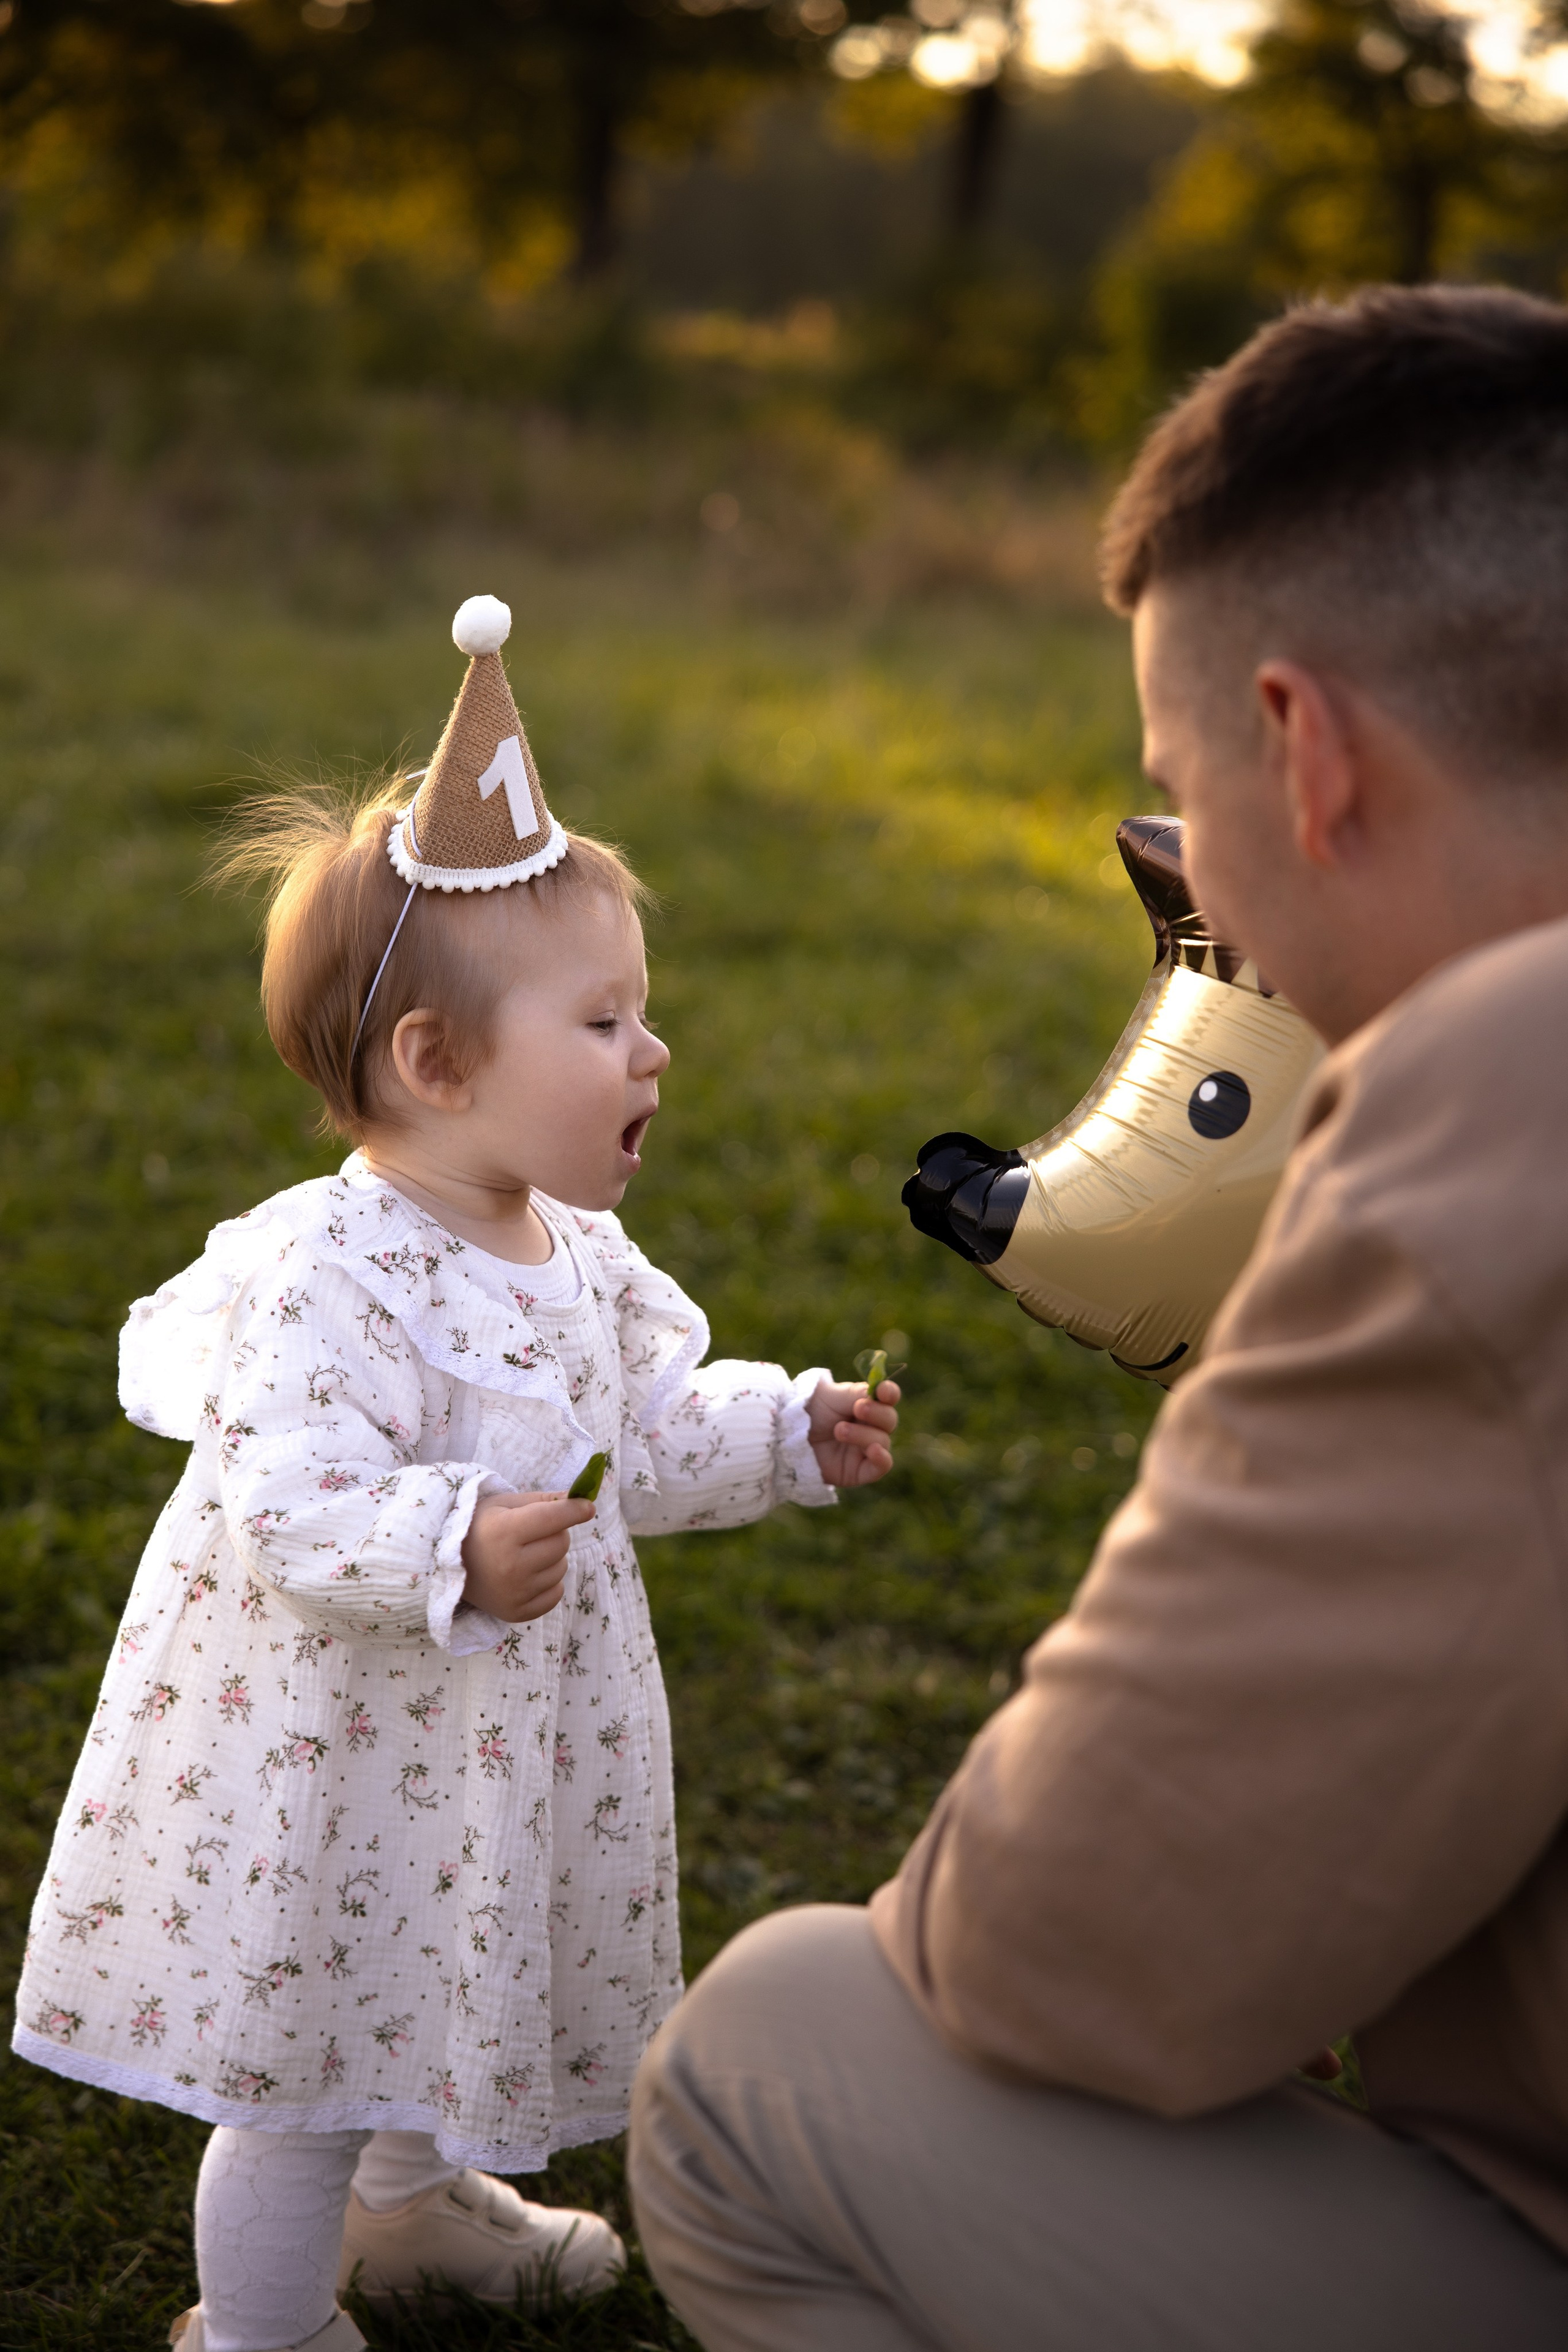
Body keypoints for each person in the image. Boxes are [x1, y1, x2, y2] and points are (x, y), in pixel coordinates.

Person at [627, 285, 1568, 2350]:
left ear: (1307, 755)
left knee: (765, 2055)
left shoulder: (1501, 1091)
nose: (1181, 862)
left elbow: (1070, 1956)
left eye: (1175, 783)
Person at [10, 598, 900, 2352]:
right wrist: (447, 1540)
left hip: (493, 1744)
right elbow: (281, 1502)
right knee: (313, 2041)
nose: (653, 1053)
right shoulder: (324, 1278)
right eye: (605, 1022)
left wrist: (782, 1433)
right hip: (337, 1749)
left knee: (450, 1953)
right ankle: (259, 2326)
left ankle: (411, 2214)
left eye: (640, 1016)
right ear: (435, 1066)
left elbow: (632, 1435)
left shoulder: (568, 1248)